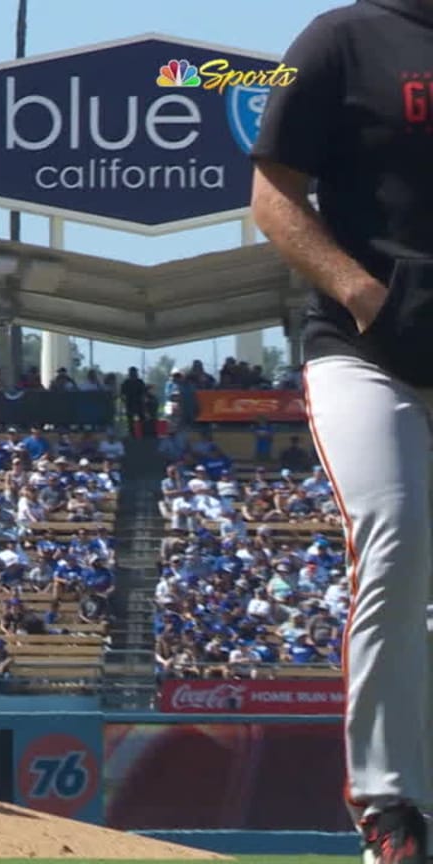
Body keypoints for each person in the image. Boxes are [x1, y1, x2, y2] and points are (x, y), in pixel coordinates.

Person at [251, 2, 433, 861]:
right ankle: (390, 808)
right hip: (366, 350)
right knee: (394, 534)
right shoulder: (340, 39)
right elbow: (272, 194)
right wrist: (364, 296)